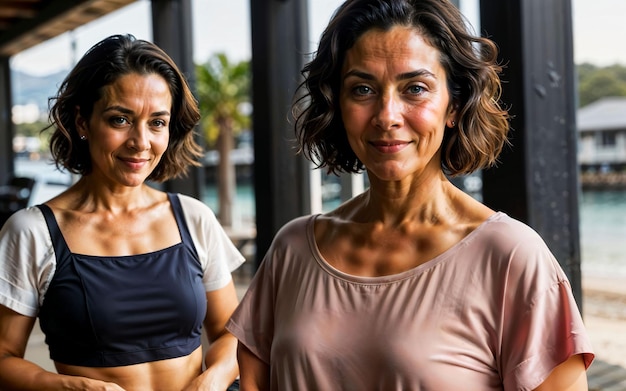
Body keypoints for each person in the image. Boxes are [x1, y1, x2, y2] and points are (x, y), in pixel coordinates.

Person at [226, 0, 595, 390]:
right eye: (362, 88)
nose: (387, 115)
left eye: (415, 88)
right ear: (338, 104)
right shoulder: (293, 248)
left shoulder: (511, 258)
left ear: (453, 105)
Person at [0, 34, 244, 390]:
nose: (141, 142)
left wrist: (213, 380)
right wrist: (73, 387)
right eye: (120, 120)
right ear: (82, 121)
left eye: (157, 122)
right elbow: (4, 357)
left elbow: (231, 334)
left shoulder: (193, 218)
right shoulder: (32, 232)